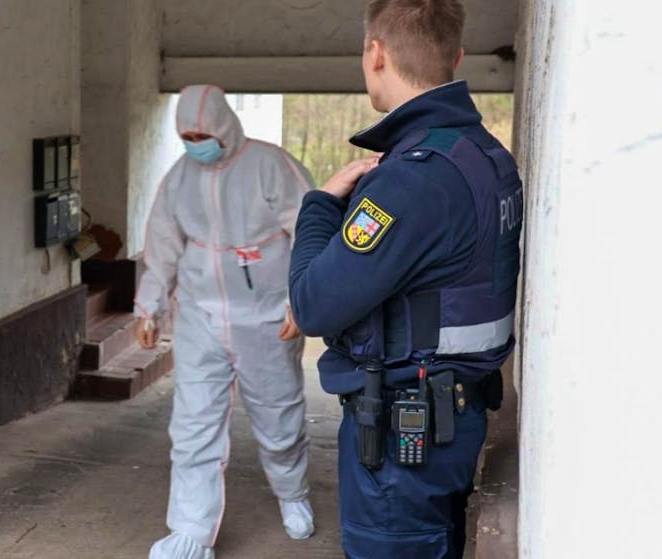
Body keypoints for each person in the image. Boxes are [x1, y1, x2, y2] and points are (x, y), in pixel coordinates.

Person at [288, 1, 523, 557]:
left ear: (375, 53)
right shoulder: (486, 156)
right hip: (454, 419)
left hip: (400, 444)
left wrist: (319, 207)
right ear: (457, 57)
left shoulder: (411, 181)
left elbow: (314, 305)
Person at [134, 85, 316, 559]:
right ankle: (191, 531)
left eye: (203, 133)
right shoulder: (179, 178)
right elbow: (162, 246)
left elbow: (311, 233)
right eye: (187, 135)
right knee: (193, 424)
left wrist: (302, 303)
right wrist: (149, 306)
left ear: (224, 125)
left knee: (278, 415)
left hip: (266, 314)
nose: (197, 142)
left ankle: (293, 494)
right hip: (200, 315)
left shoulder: (271, 166)